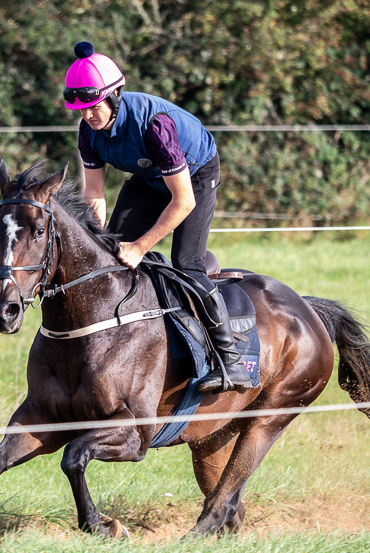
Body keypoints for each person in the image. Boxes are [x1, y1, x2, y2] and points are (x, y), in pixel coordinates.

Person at [63, 41, 255, 393]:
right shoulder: (88, 132)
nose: (89, 115)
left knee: (187, 264)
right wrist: (98, 242)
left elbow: (183, 202)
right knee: (108, 256)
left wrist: (139, 246)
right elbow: (93, 194)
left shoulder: (155, 126)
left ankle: (231, 361)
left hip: (195, 177)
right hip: (150, 179)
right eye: (81, 109)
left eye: (94, 106)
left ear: (115, 97)